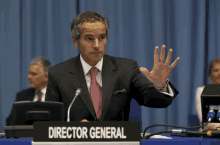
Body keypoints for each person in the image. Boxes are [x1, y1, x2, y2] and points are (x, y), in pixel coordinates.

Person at [46, 11, 180, 122]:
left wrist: (160, 85)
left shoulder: (126, 68)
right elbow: (50, 121)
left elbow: (155, 101)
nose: (97, 45)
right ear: (75, 41)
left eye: (102, 37)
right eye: (89, 38)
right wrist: (72, 130)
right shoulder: (58, 74)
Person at [6, 57, 52, 126]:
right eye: (29, 73)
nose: (29, 77)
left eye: (33, 74)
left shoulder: (58, 95)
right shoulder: (22, 96)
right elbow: (10, 123)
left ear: (46, 77)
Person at [196, 58, 220, 130]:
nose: (219, 73)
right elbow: (202, 117)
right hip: (209, 132)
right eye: (216, 70)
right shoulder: (201, 90)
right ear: (210, 73)